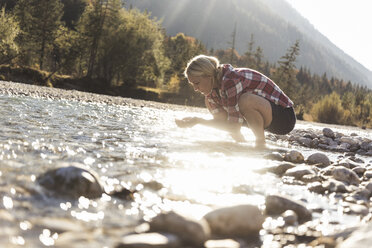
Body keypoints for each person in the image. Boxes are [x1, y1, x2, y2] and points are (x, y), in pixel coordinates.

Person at [175, 54, 296, 148]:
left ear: (208, 76)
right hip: (265, 117)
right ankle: (244, 144)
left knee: (244, 100)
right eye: (192, 85)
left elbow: (234, 126)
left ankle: (260, 144)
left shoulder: (230, 80)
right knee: (231, 114)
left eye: (197, 83)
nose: (195, 89)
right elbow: (224, 123)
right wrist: (197, 121)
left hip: (284, 118)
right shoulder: (210, 95)